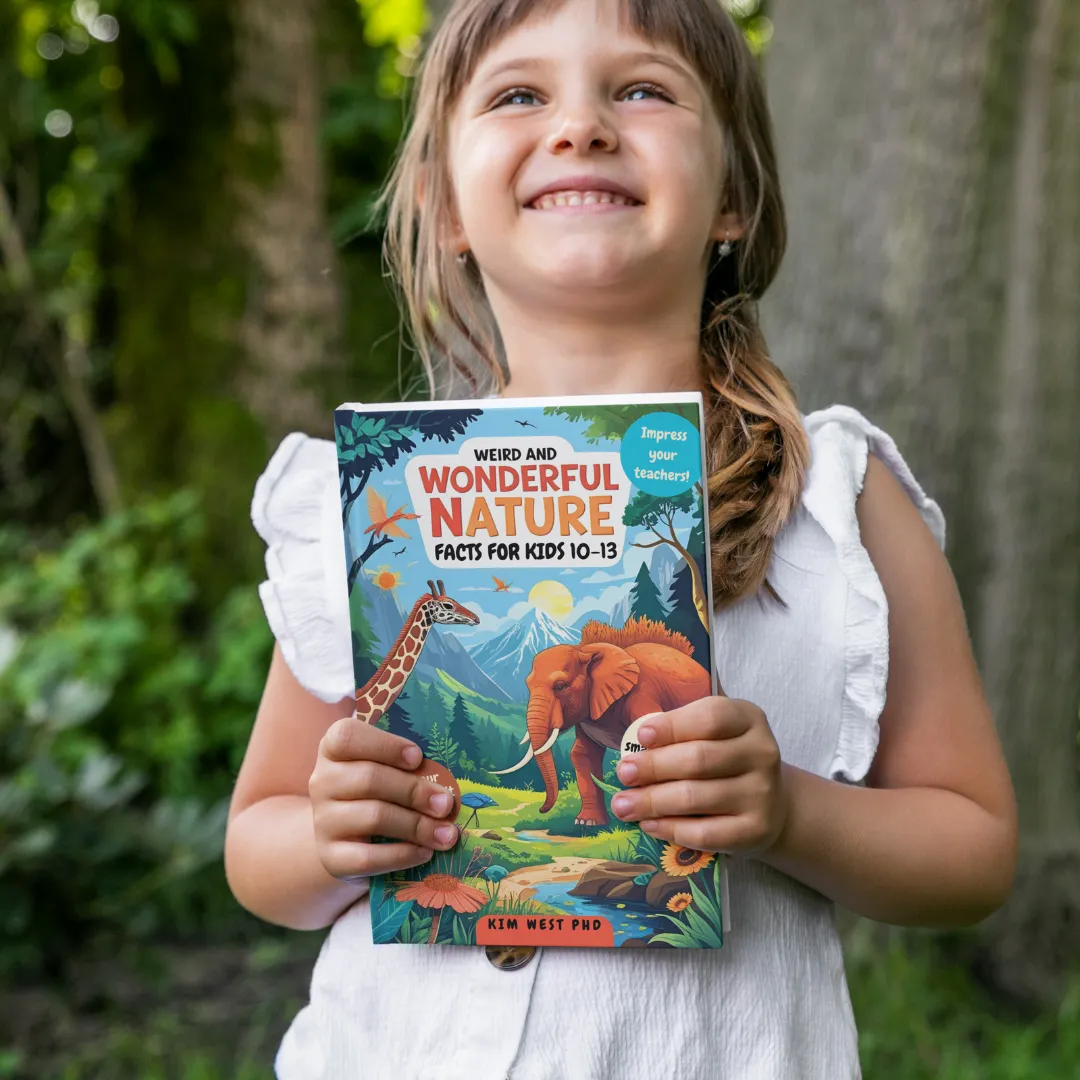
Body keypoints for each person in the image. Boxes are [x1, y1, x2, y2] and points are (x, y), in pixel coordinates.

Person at [224, 1, 1018, 1077]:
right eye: (518, 94)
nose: (580, 125)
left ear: (733, 198)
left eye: (642, 89)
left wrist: (792, 814)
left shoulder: (838, 501)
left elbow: (974, 848)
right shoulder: (367, 508)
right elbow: (259, 847)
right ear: (444, 206)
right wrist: (331, 834)